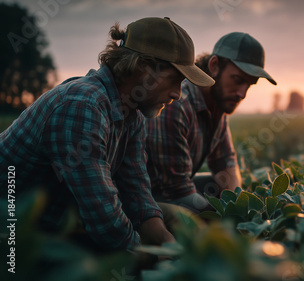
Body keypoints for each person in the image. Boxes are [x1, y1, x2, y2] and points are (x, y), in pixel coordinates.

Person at [0, 17, 214, 251]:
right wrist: (147, 256)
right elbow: (102, 214)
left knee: (173, 219)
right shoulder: (82, 106)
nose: (177, 94)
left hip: (55, 223)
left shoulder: (132, 113)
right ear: (143, 67)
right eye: (174, 80)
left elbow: (136, 189)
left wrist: (165, 241)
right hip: (12, 234)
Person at [146, 32, 276, 213]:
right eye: (237, 80)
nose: (242, 94)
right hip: (145, 198)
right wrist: (225, 221)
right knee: (206, 213)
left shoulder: (218, 108)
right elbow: (177, 190)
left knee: (219, 184)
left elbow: (226, 164)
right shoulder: (177, 104)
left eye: (249, 85)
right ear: (214, 66)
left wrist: (240, 210)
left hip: (174, 191)